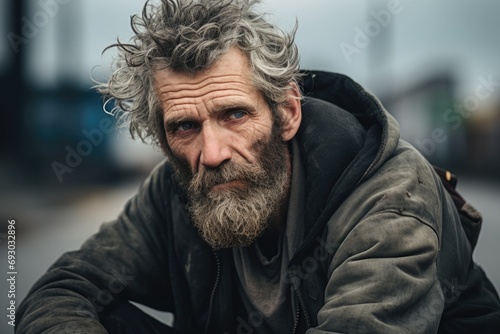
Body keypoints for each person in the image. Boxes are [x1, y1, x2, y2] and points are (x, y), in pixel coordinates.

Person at [16, 0, 500, 333]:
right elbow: (62, 289)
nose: (212, 153)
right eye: (184, 127)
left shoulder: (389, 196)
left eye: (234, 114)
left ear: (287, 112)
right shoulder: (177, 187)